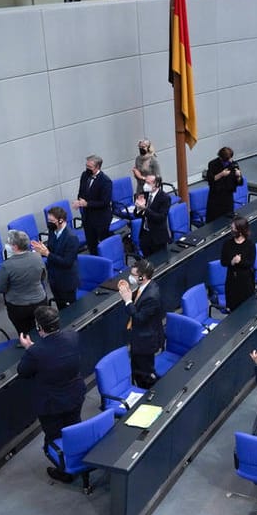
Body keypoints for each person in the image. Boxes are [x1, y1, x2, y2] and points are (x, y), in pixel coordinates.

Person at [17, 305, 81, 446]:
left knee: (55, 438)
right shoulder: (73, 336)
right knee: (75, 430)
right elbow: (54, 353)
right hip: (75, 396)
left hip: (51, 406)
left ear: (39, 327)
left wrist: (30, 348)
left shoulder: (35, 353)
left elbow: (22, 371)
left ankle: (62, 464)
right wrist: (34, 348)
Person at [119, 258, 164, 388]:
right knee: (137, 367)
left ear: (142, 277)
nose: (131, 277)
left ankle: (149, 392)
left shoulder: (151, 296)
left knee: (143, 373)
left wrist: (128, 301)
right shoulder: (147, 286)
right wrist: (129, 294)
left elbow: (139, 318)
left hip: (146, 340)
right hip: (140, 337)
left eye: (133, 275)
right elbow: (139, 302)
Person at [0, 230, 50, 336]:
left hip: (18, 306)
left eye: (9, 243)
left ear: (15, 247)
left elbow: (1, 288)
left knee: (24, 333)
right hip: (40, 301)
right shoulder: (38, 257)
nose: (7, 245)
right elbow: (43, 277)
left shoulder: (7, 266)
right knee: (41, 328)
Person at [39, 208, 79, 311]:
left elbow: (67, 262)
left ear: (61, 220)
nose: (49, 224)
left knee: (71, 310)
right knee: (61, 309)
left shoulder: (71, 238)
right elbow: (52, 249)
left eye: (51, 221)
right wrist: (43, 249)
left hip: (66, 281)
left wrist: (47, 254)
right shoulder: (53, 231)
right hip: (54, 279)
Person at [74, 155, 113, 255]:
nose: (87, 169)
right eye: (86, 166)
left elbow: (105, 202)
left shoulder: (106, 181)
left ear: (97, 167)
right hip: (87, 217)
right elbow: (81, 192)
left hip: (101, 218)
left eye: (90, 167)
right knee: (91, 244)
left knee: (103, 244)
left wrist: (87, 204)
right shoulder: (84, 175)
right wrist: (79, 202)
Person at [220, 216, 257, 312]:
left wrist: (240, 261)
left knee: (246, 309)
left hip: (246, 282)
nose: (232, 231)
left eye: (234, 229)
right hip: (232, 281)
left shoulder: (250, 245)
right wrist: (232, 262)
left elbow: (250, 262)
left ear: (241, 231)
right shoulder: (227, 244)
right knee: (233, 308)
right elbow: (223, 262)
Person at [136, 174, 174, 257]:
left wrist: (145, 209)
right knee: (147, 261)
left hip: (158, 237)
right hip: (145, 235)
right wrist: (138, 208)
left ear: (156, 184)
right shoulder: (144, 194)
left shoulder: (165, 198)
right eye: (145, 182)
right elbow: (136, 215)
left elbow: (160, 218)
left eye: (148, 183)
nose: (146, 185)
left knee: (160, 262)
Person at [205, 147, 242, 223]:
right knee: (214, 221)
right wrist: (221, 174)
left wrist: (238, 176)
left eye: (231, 158)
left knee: (228, 221)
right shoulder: (213, 164)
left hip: (228, 197)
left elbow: (239, 183)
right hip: (215, 197)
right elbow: (210, 180)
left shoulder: (234, 164)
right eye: (228, 159)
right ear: (221, 158)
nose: (230, 160)